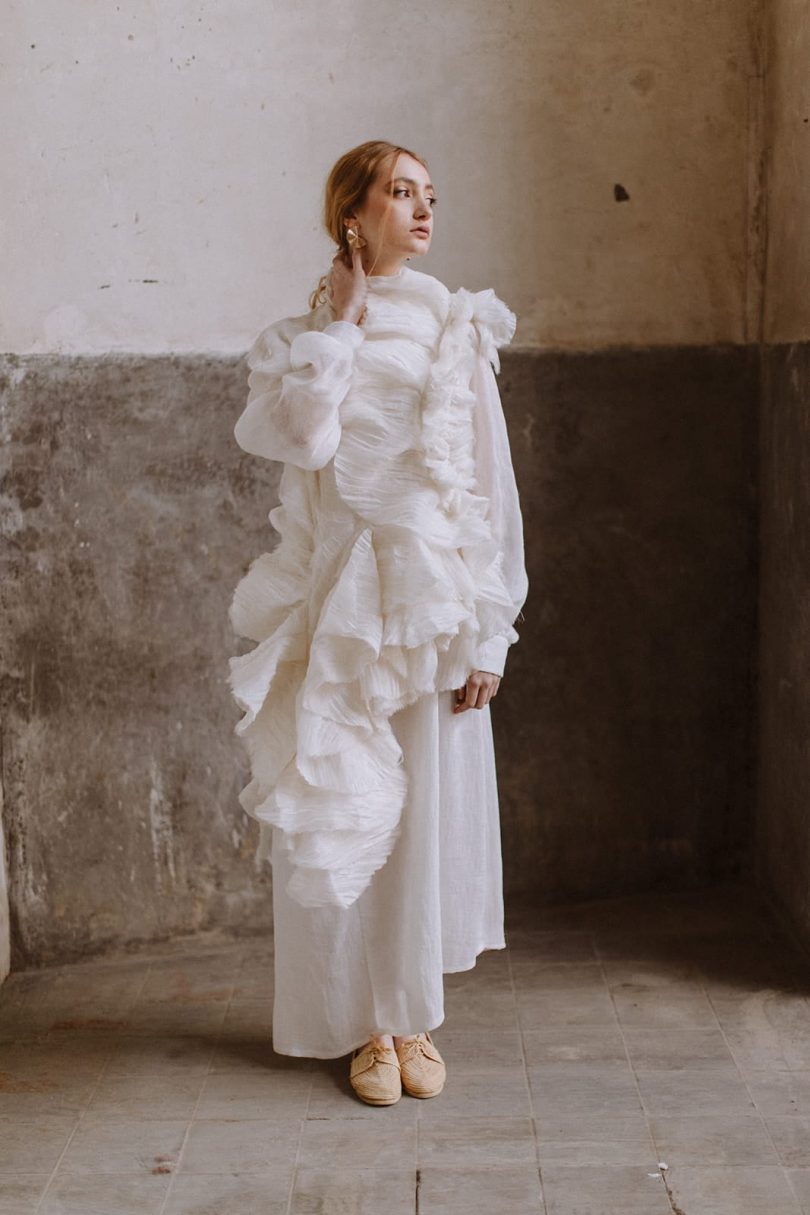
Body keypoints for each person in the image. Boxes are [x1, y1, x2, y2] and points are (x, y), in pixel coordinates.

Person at [227, 140, 529, 1107]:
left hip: (431, 603)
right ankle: (359, 1025)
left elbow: (487, 483)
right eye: (401, 193)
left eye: (430, 194)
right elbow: (303, 438)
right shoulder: (299, 337)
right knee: (347, 805)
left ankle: (411, 1015)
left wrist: (489, 629)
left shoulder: (455, 324)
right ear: (351, 213)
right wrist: (344, 327)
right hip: (336, 603)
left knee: (425, 811)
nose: (424, 210)